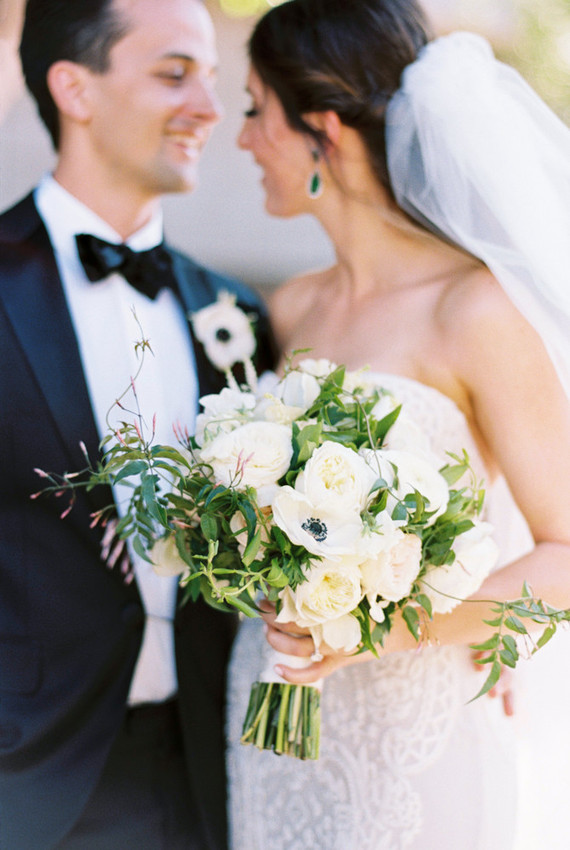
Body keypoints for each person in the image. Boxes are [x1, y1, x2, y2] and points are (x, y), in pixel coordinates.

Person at [226, 1, 570, 848]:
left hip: (417, 741)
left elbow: (565, 558)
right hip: (269, 724)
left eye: (254, 110)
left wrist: (370, 627)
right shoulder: (290, 306)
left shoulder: (477, 308)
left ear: (323, 133)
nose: (241, 140)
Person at [0, 0, 275, 848]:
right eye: (173, 73)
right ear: (74, 88)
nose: (209, 108)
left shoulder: (233, 313)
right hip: (22, 778)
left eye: (214, 80)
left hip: (201, 775)